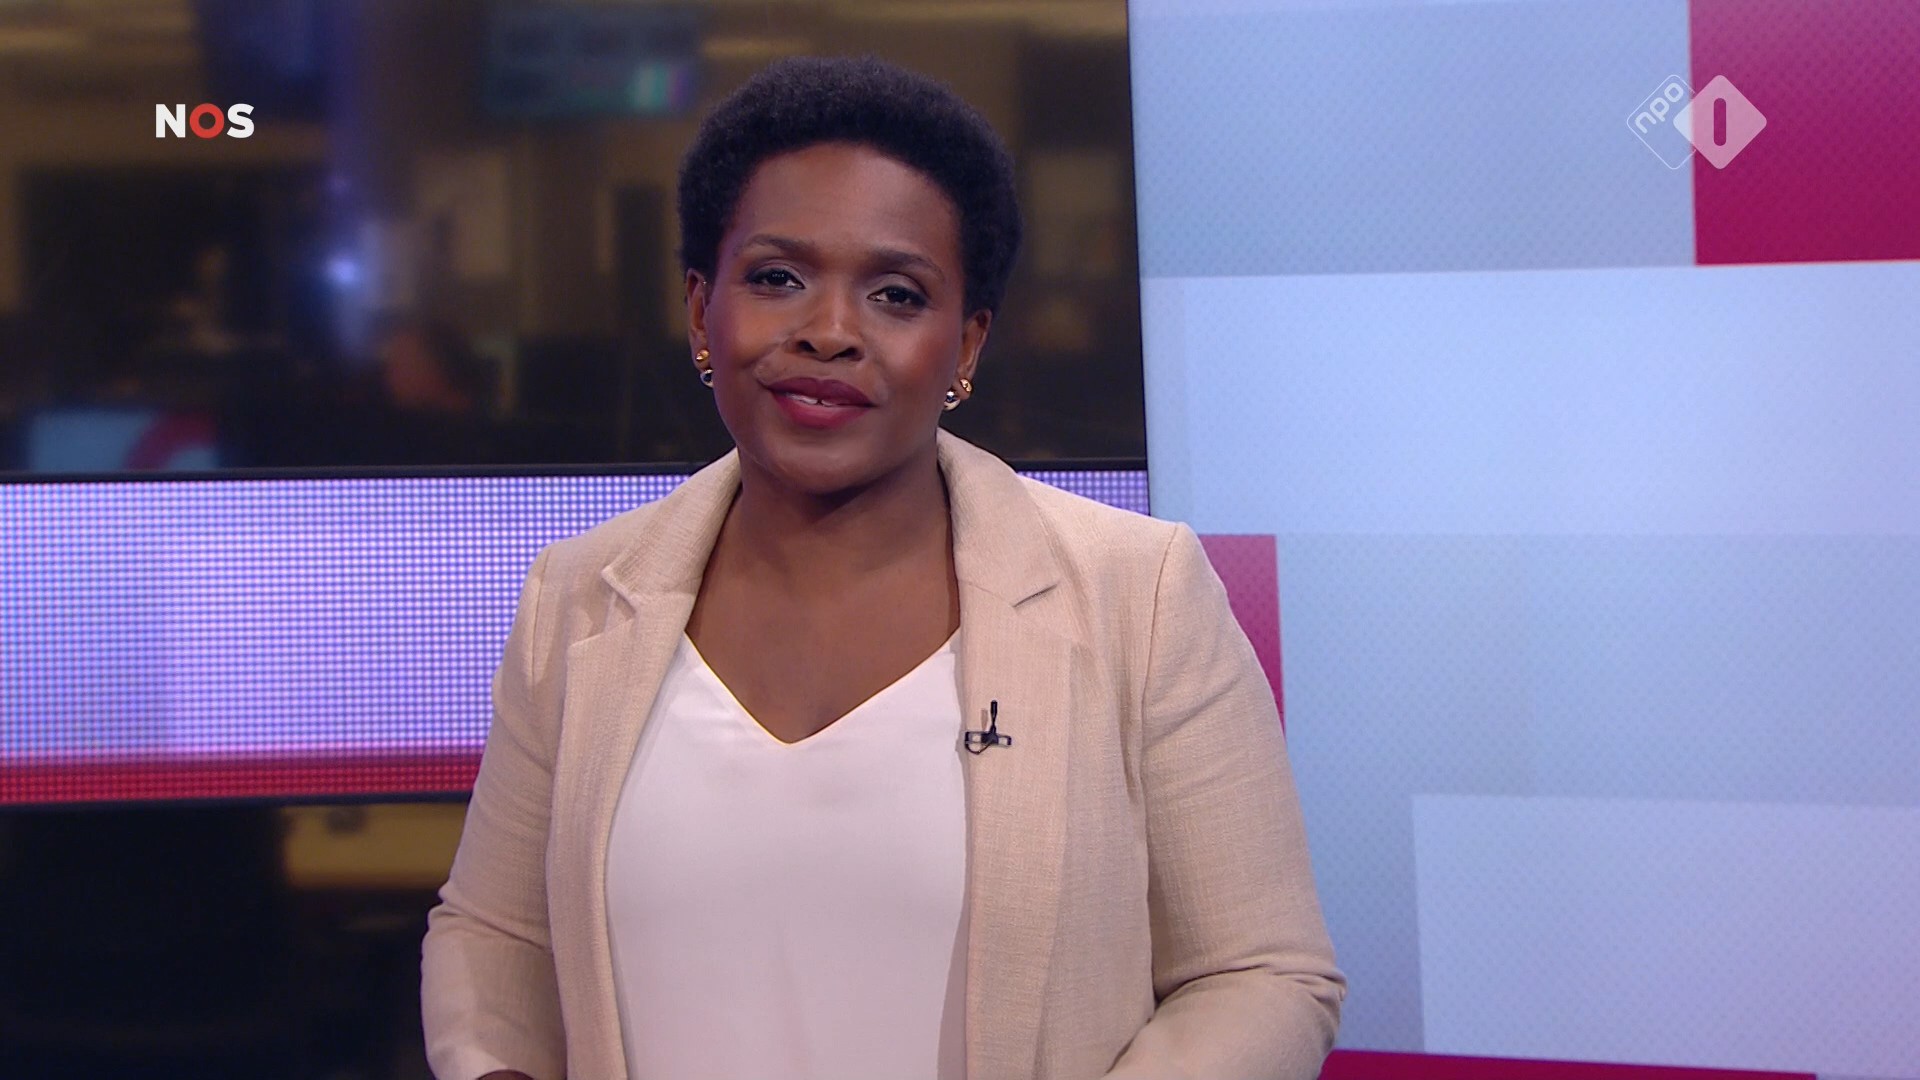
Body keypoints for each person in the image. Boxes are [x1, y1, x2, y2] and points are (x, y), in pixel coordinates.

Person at [420, 55, 1344, 1080]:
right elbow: (493, 935)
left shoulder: (1141, 593)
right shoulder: (579, 596)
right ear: (699, 309)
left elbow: (1260, 975)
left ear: (966, 346)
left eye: (897, 295)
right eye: (777, 278)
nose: (828, 333)